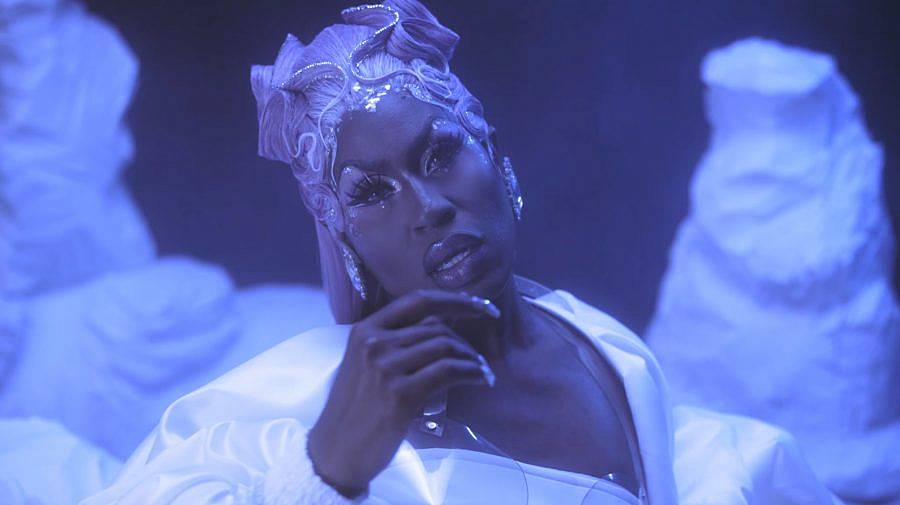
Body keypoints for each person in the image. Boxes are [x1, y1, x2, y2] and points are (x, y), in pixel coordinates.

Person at [83, 1, 843, 503]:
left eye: (440, 153)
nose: (428, 206)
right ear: (340, 232)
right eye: (371, 193)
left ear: (497, 156)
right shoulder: (304, 410)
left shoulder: (593, 339)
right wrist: (324, 473)